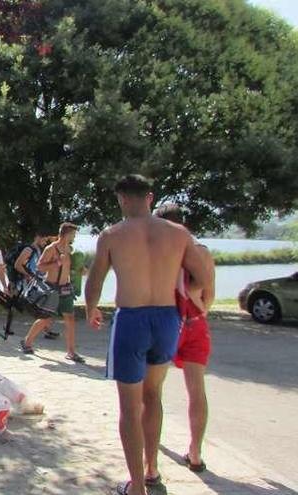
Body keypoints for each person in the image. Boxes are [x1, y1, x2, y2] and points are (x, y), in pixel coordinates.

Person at [84, 175, 212, 495]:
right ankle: (152, 469)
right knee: (153, 395)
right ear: (150, 197)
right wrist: (201, 303)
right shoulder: (178, 233)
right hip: (167, 319)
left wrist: (91, 309)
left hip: (132, 319)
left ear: (121, 199)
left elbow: (95, 279)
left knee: (129, 407)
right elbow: (204, 273)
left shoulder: (112, 235)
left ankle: (137, 487)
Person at [154, 202, 216, 474]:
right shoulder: (201, 251)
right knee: (196, 390)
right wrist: (196, 301)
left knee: (152, 389)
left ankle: (151, 452)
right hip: (196, 322)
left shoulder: (160, 252)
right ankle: (195, 453)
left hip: (168, 323)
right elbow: (209, 295)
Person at [19, 223, 84, 362]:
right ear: (66, 234)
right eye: (73, 234)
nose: (74, 236)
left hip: (65, 288)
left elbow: (68, 267)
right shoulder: (51, 249)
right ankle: (27, 342)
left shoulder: (69, 249)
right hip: (51, 288)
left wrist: (80, 270)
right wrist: (56, 264)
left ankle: (71, 352)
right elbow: (40, 267)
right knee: (46, 319)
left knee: (70, 319)